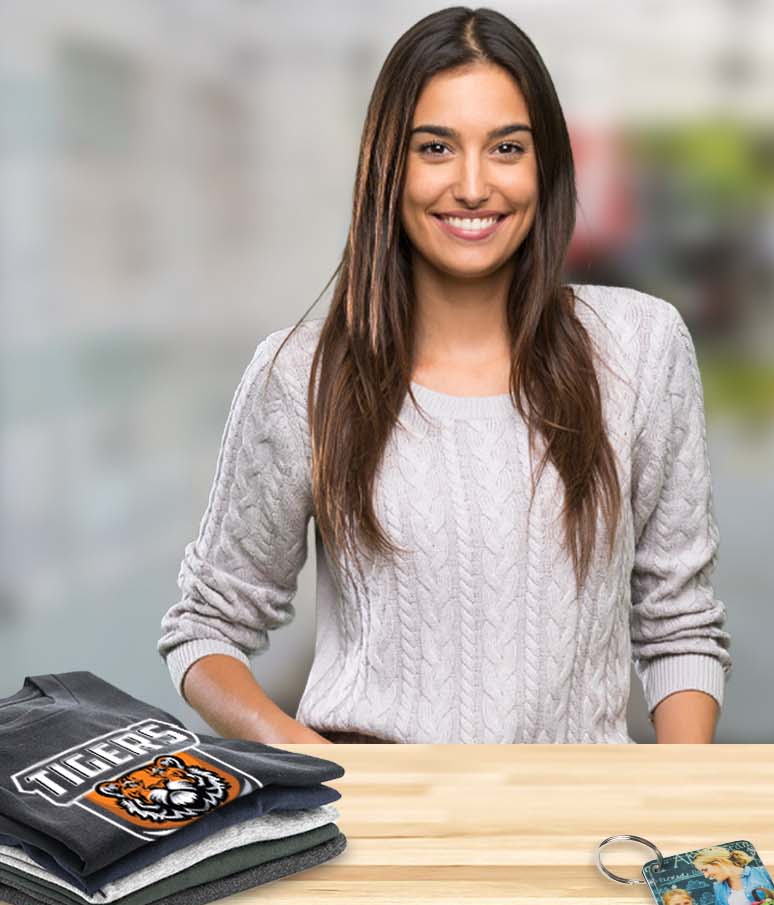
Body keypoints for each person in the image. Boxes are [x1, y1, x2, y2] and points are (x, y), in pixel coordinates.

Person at [156, 7, 730, 744]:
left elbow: (679, 621)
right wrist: (309, 757)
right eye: (435, 147)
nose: (471, 185)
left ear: (545, 165)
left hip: (584, 825)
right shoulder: (299, 374)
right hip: (373, 829)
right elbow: (205, 628)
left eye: (506, 148)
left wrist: (679, 810)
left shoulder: (641, 347)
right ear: (388, 167)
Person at [692, 847, 774, 905]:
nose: (706, 876)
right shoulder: (719, 887)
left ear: (719, 861)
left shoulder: (763, 872)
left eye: (705, 870)